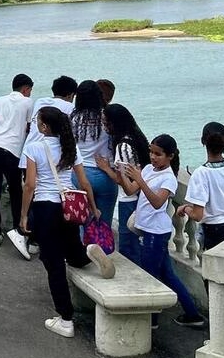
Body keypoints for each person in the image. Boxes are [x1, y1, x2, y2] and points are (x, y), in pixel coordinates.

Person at [21, 105, 111, 339]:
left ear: (44, 126)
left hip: (45, 207)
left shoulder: (34, 147)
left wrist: (23, 215)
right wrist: (93, 208)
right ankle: (87, 252)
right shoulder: (71, 148)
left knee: (53, 263)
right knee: (72, 252)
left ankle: (65, 318)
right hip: (69, 205)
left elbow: (30, 185)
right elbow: (84, 182)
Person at [120, 134, 205, 328]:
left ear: (170, 156)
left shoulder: (169, 178)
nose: (152, 157)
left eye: (158, 154)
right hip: (147, 229)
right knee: (167, 275)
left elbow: (158, 203)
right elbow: (130, 190)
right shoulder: (149, 169)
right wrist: (119, 174)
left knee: (150, 278)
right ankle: (192, 314)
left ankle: (152, 321)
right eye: (151, 152)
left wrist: (140, 180)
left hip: (156, 233)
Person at [0, 74, 34, 248]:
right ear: (26, 89)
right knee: (16, 191)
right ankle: (18, 231)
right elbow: (29, 127)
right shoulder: (28, 103)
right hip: (12, 149)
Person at [183, 121, 224, 250]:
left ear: (203, 142)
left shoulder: (201, 174)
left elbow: (197, 215)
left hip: (214, 232)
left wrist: (185, 208)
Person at [95, 103, 148, 262]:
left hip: (128, 200)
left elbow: (122, 179)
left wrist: (106, 168)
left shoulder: (123, 147)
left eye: (106, 123)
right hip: (140, 198)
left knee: (128, 245)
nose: (104, 127)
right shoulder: (136, 139)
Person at [70, 80, 117, 242]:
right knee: (103, 223)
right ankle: (102, 254)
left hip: (80, 174)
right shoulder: (108, 116)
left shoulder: (74, 119)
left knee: (82, 219)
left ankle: (85, 255)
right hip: (105, 174)